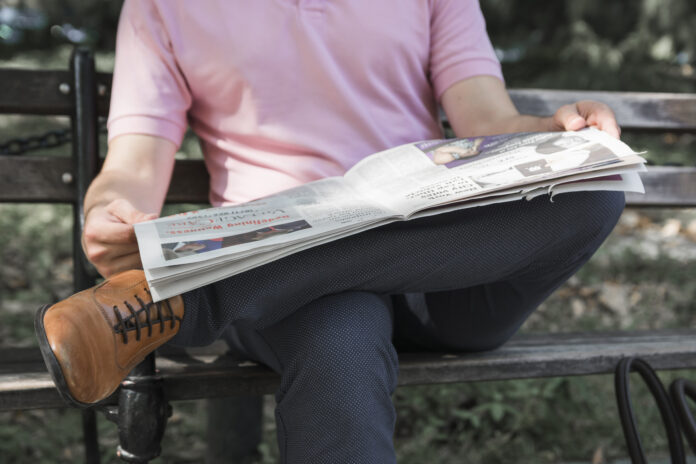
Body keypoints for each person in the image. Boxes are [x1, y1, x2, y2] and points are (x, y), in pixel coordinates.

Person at [35, 1, 625, 462]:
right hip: (297, 299)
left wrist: (553, 133)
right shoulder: (161, 5)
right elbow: (135, 163)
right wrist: (110, 210)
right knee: (337, 336)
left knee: (594, 188)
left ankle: (195, 296)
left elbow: (487, 122)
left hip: (445, 275)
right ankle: (223, 287)